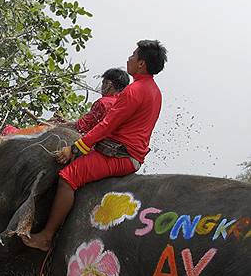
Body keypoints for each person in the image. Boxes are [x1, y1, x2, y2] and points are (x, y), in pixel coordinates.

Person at [23, 40, 167, 251]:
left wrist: (73, 149)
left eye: (134, 55)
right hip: (129, 153)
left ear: (141, 64)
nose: (129, 58)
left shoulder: (133, 91)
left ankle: (46, 236)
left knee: (68, 177)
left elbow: (106, 126)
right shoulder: (154, 91)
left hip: (119, 155)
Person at [57, 68, 130, 133]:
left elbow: (82, 127)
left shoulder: (103, 103)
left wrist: (59, 125)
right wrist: (68, 122)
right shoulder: (127, 104)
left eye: (103, 83)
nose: (102, 87)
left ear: (109, 84)